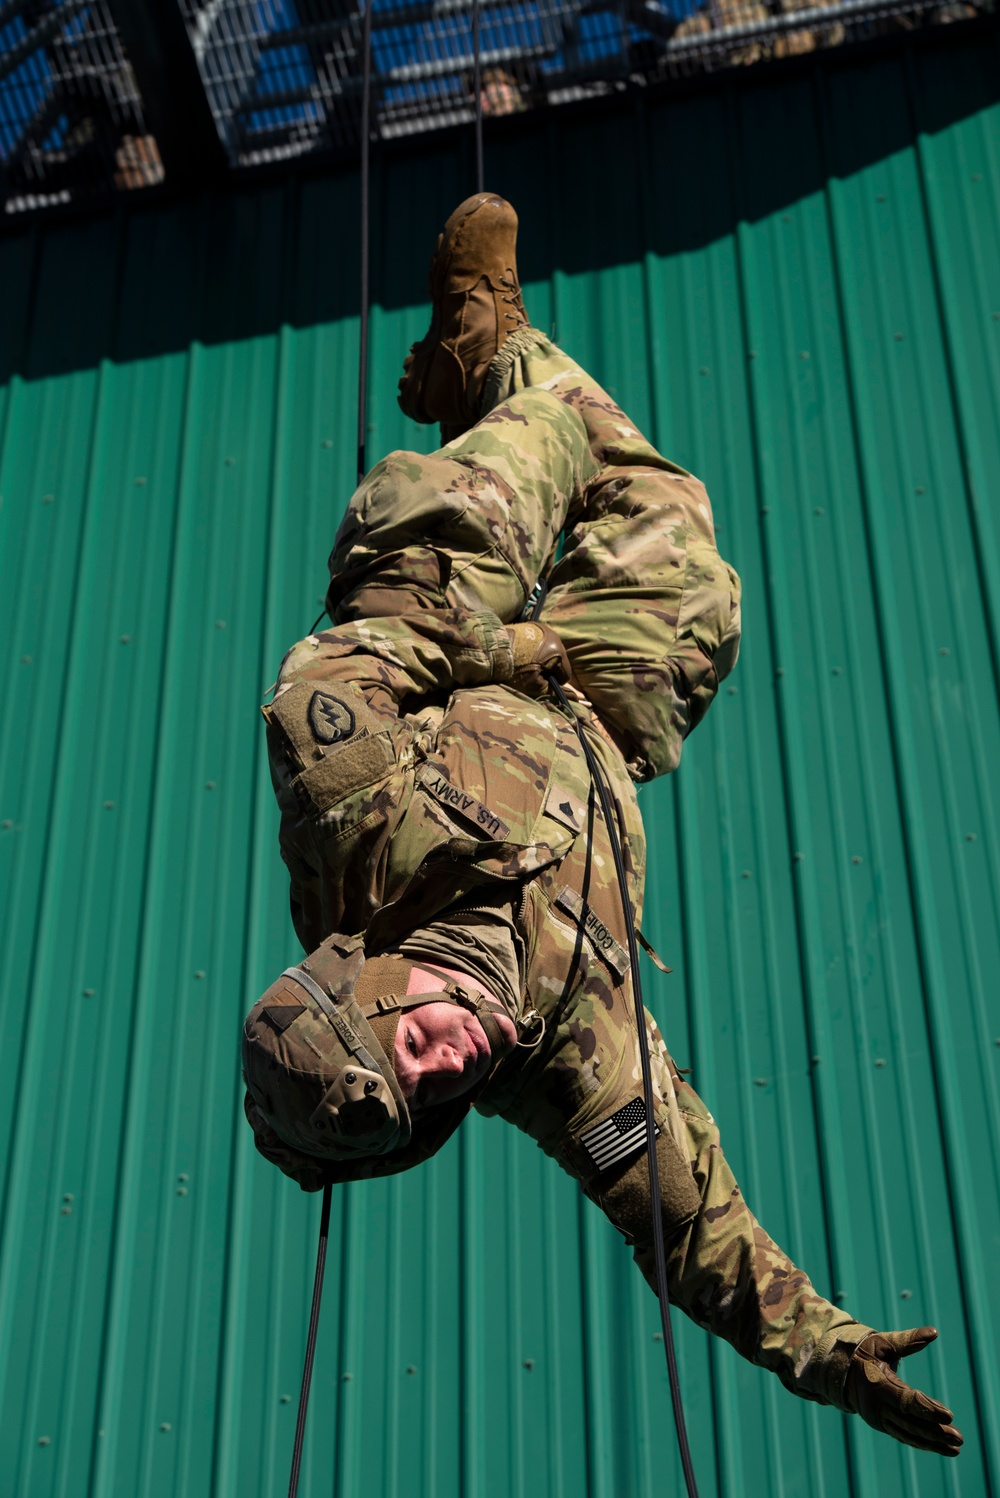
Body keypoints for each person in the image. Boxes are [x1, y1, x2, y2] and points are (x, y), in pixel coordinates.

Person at [241, 194, 962, 1459]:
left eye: (399, 1048)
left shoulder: (358, 830)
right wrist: (822, 1351)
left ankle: (489, 383)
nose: (440, 1065)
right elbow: (683, 1219)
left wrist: (494, 637)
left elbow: (323, 687)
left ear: (372, 978)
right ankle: (495, 355)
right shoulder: (558, 1063)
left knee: (514, 466)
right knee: (677, 534)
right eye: (419, 1102)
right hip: (585, 712)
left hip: (457, 631)